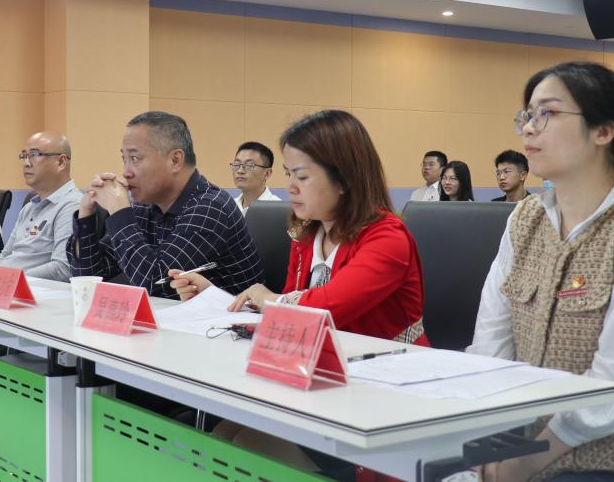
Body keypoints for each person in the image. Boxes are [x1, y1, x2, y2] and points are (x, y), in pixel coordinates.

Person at [469, 62, 614, 482]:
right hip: (518, 446)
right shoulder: (524, 221)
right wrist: (483, 443)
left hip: (608, 461)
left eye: (548, 113)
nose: (529, 128)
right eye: (528, 115)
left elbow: (611, 394)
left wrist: (525, 463)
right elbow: (491, 344)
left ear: (603, 131)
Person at [171, 110, 428, 476]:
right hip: (323, 384)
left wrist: (269, 299)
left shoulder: (388, 237)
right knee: (223, 434)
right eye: (288, 174)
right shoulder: (308, 234)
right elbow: (291, 315)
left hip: (383, 396)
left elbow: (326, 308)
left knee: (242, 447)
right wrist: (216, 297)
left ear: (344, 178)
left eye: (302, 176)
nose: (290, 186)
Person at [67, 111, 264, 297]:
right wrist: (86, 215)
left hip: (232, 320)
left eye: (135, 158)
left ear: (175, 160)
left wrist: (119, 212)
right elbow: (89, 275)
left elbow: (156, 283)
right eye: (124, 159)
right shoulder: (145, 206)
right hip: (177, 318)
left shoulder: (210, 207)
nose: (126, 172)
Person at [0, 132, 81, 282]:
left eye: (35, 155)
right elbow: (5, 255)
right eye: (24, 156)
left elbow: (62, 269)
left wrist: (9, 279)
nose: (26, 163)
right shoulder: (29, 208)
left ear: (61, 162)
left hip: (31, 290)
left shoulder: (72, 205)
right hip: (6, 285)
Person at [230, 141, 281, 214]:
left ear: (267, 173)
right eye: (236, 164)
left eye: (249, 165)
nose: (240, 171)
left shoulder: (278, 209)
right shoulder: (230, 207)